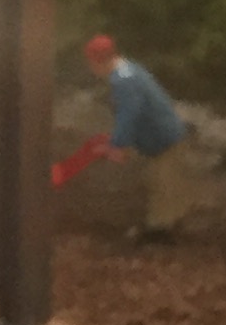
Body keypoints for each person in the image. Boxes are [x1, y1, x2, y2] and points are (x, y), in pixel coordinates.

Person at [82, 32, 193, 238]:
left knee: (161, 184)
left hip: (163, 137)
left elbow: (129, 113)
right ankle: (168, 224)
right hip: (161, 133)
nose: (91, 68)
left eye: (91, 63)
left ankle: (159, 232)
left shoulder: (123, 80)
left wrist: (118, 145)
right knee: (163, 182)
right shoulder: (128, 68)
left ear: (98, 62)